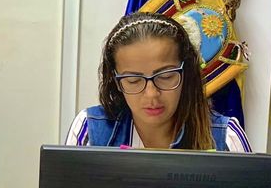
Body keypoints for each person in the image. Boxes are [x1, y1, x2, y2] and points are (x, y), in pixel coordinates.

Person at [66, 12, 250, 151]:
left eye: (166, 76)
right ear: (116, 82)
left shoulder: (226, 137)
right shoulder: (90, 129)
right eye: (133, 80)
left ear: (185, 73)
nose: (152, 94)